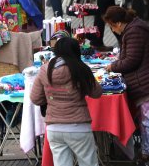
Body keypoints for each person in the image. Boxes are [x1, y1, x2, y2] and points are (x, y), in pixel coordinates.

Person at [104, 6, 149, 166]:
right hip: (147, 81)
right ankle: (146, 152)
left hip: (148, 83)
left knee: (148, 119)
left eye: (112, 26)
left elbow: (132, 60)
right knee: (144, 119)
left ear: (119, 23)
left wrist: (112, 67)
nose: (112, 29)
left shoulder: (134, 32)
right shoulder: (135, 28)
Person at [30, 37, 102, 166]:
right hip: (79, 126)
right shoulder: (81, 69)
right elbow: (96, 93)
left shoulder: (45, 70)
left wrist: (50, 97)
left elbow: (35, 98)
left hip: (54, 127)